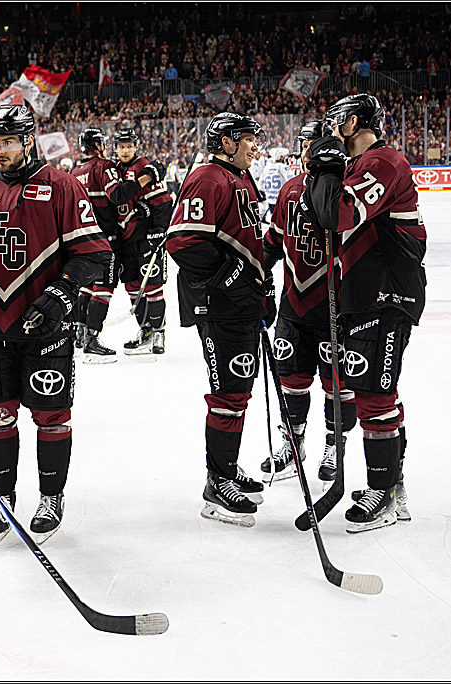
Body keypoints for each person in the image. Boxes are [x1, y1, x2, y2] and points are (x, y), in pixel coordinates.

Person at [0, 104, 110, 545]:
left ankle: (50, 496)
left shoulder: (62, 186)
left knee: (51, 415)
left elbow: (93, 253)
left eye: (8, 141)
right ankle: (2, 497)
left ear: (28, 139)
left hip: (44, 325)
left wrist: (61, 296)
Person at [298, 93, 425, 532]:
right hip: (362, 293)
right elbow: (321, 216)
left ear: (352, 122)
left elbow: (340, 213)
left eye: (335, 121)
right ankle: (391, 481)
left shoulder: (384, 162)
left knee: (374, 392)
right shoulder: (355, 167)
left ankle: (386, 493)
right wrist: (324, 169)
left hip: (388, 293)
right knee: (371, 387)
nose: (329, 128)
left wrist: (326, 168)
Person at [167, 112, 271, 528]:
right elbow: (183, 242)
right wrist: (233, 281)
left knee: (239, 388)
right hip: (219, 306)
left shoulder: (240, 178)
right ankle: (217, 481)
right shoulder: (208, 178)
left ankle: (227, 464)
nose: (254, 146)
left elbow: (246, 242)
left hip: (240, 304)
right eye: (247, 139)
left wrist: (260, 287)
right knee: (229, 390)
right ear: (226, 141)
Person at [262, 121, 357, 486]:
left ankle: (336, 444)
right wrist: (258, 271)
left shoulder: (344, 191)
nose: (305, 151)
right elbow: (275, 238)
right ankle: (293, 441)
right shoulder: (289, 190)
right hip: (293, 304)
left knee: (338, 383)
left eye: (312, 144)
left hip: (334, 306)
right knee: (292, 378)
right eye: (303, 143)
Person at [70, 127, 159, 362]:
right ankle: (91, 340)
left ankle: (80, 334)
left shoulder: (75, 170)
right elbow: (118, 195)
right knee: (104, 288)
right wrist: (147, 177)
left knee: (86, 286)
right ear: (98, 145)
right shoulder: (104, 166)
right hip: (104, 237)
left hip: (81, 237)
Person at [112, 128, 173, 355]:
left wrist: (159, 230)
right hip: (125, 240)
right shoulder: (114, 170)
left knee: (153, 287)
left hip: (146, 240)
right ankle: (145, 330)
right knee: (132, 288)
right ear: (115, 148)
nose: (125, 150)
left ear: (135, 146)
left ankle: (159, 332)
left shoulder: (143, 167)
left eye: (129, 146)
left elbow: (163, 202)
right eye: (121, 146)